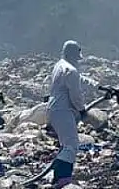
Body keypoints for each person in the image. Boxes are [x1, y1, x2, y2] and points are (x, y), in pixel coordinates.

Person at [47, 40, 87, 187]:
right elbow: (75, 96)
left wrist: (99, 87)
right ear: (73, 55)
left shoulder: (60, 65)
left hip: (53, 108)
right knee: (71, 145)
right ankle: (62, 178)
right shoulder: (71, 71)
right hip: (63, 110)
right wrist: (82, 110)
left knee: (66, 144)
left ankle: (58, 177)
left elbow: (81, 79)